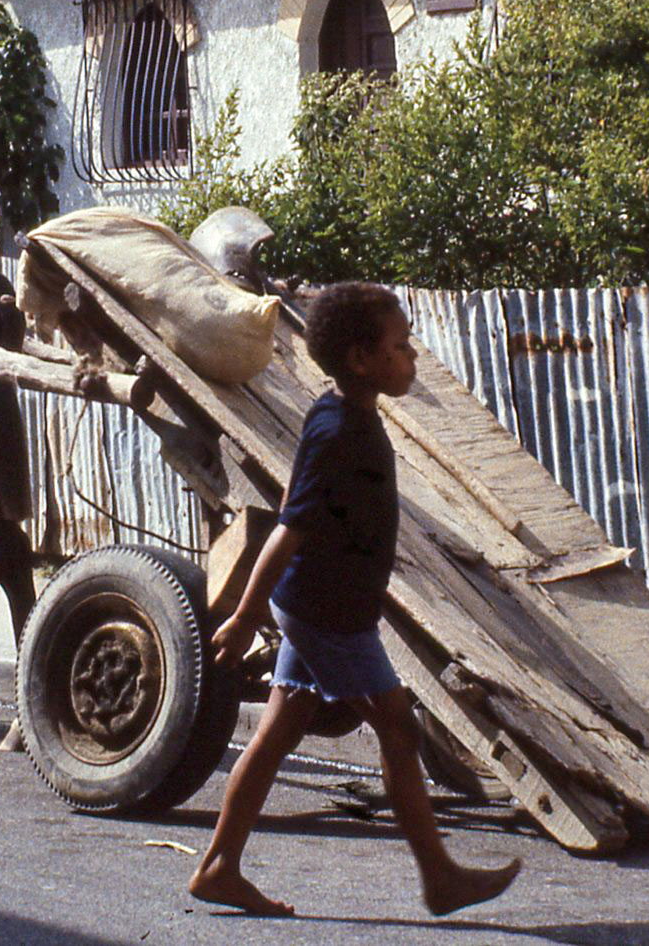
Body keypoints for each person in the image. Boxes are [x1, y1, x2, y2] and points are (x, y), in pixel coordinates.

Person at [188, 282, 521, 918]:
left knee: (280, 726)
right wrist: (249, 611)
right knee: (398, 727)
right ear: (362, 358)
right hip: (327, 613)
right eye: (401, 346)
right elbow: (291, 523)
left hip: (329, 605)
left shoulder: (344, 413)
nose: (413, 357)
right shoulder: (340, 430)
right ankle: (439, 877)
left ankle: (218, 867)